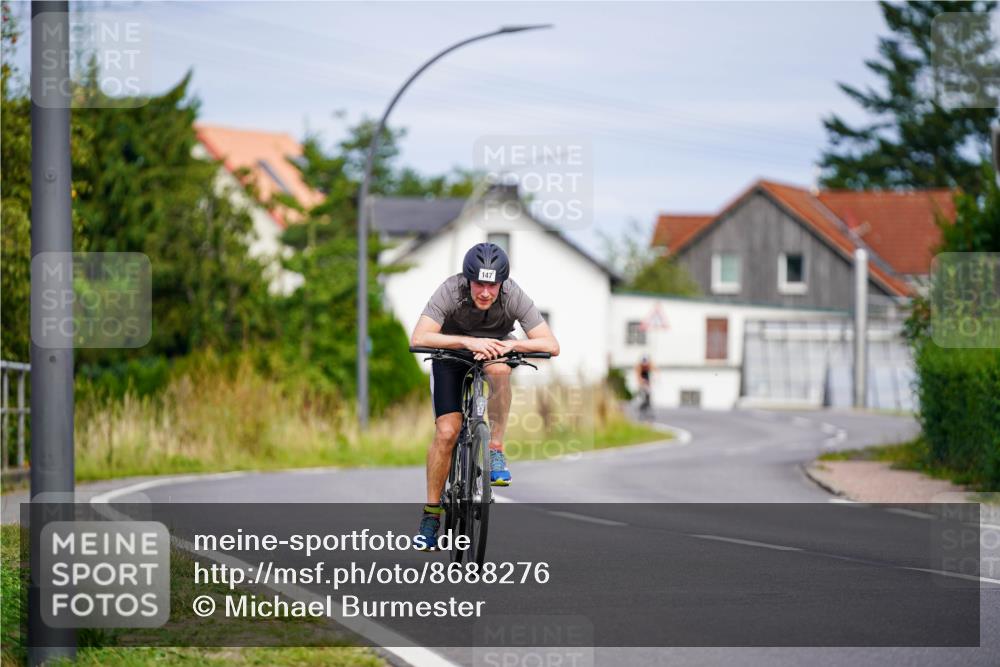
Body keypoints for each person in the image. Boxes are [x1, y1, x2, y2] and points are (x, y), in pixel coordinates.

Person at [409, 242, 559, 550]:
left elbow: (551, 344)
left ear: (502, 283)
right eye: (479, 283)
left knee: (501, 371)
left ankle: (495, 447)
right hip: (451, 354)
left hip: (495, 351)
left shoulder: (513, 295)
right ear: (467, 279)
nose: (486, 292)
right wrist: (465, 341)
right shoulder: (451, 291)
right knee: (447, 432)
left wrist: (511, 346)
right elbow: (419, 336)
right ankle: (431, 516)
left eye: (492, 285)